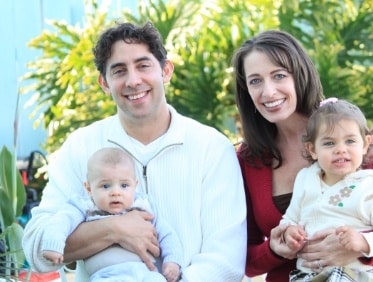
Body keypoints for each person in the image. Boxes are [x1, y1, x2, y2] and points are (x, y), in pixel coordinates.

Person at [23, 21, 247, 282]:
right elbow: (36, 247)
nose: (133, 80)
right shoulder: (81, 146)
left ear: (165, 70)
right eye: (119, 71)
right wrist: (114, 228)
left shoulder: (211, 147)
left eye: (143, 66)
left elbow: (226, 260)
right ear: (104, 83)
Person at [232, 29, 373, 282]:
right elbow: (246, 260)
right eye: (255, 81)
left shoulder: (348, 138)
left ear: (299, 75)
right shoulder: (248, 159)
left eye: (279, 76)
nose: (268, 92)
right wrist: (275, 250)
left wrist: (360, 248)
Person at [280, 98, 373, 281]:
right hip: (308, 275)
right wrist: (289, 231)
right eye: (329, 143)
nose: (340, 149)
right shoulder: (305, 179)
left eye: (350, 141)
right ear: (312, 149)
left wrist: (364, 242)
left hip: (358, 275)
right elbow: (290, 218)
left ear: (365, 144)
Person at [42, 147, 182, 282]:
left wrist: (172, 261)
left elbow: (167, 234)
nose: (116, 192)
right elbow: (61, 222)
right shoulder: (85, 206)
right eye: (106, 186)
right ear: (89, 188)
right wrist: (53, 245)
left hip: (146, 273)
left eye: (124, 185)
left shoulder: (144, 205)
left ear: (135, 184)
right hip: (107, 275)